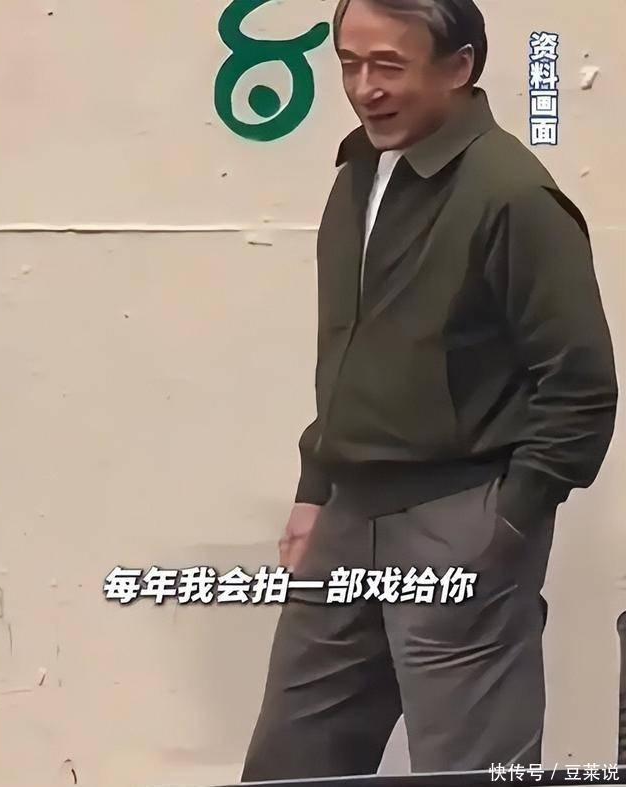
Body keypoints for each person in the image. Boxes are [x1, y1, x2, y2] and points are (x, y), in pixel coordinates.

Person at [241, 0, 618, 779]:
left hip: (461, 518)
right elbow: (350, 351)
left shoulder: (512, 193)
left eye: (388, 66)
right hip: (347, 515)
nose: (364, 88)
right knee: (291, 764)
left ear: (459, 68)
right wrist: (315, 488)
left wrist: (506, 522)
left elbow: (580, 386)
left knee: (465, 772)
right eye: (349, 64)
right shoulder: (359, 173)